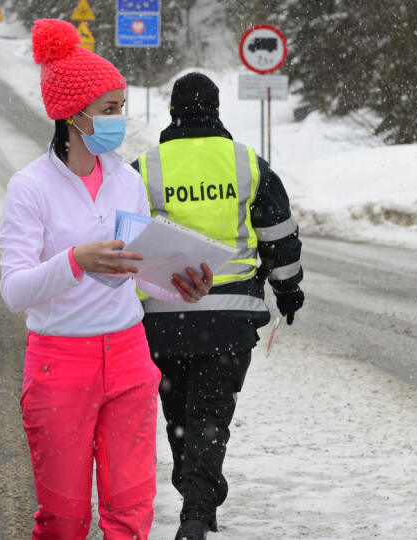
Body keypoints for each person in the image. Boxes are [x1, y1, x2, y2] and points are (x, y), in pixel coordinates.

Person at [0, 20, 213, 540]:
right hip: (59, 362)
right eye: (109, 108)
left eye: (121, 105)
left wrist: (178, 285)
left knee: (130, 510)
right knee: (65, 519)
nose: (120, 119)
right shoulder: (31, 188)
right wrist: (75, 260)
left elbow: (135, 271)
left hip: (129, 357)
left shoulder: (127, 180)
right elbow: (13, 291)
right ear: (73, 114)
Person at [132, 72, 304, 540]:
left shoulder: (145, 167)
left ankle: (194, 497)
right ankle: (197, 507)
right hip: (229, 319)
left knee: (179, 415)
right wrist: (288, 291)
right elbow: (279, 237)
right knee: (210, 414)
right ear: (216, 110)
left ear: (171, 112)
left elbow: (123, 239)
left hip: (162, 321)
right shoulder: (246, 163)